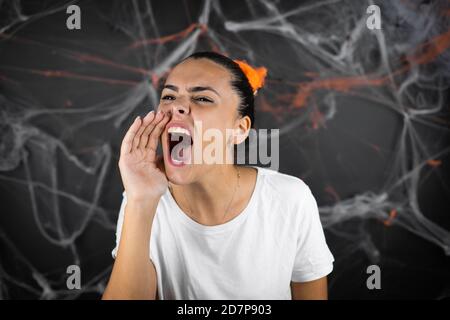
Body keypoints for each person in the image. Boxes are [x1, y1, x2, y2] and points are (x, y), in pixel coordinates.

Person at [102, 51, 334, 300]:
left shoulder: (289, 199)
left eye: (202, 98)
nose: (176, 106)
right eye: (169, 96)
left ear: (239, 129)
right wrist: (141, 201)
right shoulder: (141, 202)